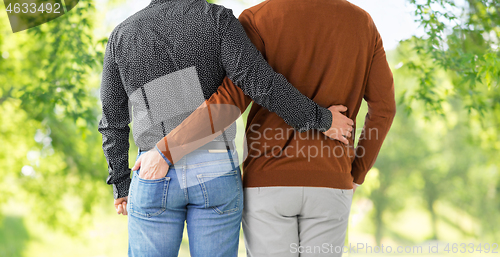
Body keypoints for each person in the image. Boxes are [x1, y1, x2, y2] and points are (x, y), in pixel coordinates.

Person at [98, 0, 353, 256]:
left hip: (154, 169)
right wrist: (322, 119)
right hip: (215, 167)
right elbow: (260, 83)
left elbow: (112, 121)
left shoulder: (122, 34)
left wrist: (121, 184)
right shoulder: (217, 19)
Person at [145, 0, 397, 256]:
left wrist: (167, 149)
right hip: (331, 179)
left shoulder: (257, 18)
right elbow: (384, 108)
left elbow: (230, 102)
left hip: (267, 182)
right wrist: (357, 172)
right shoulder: (362, 22)